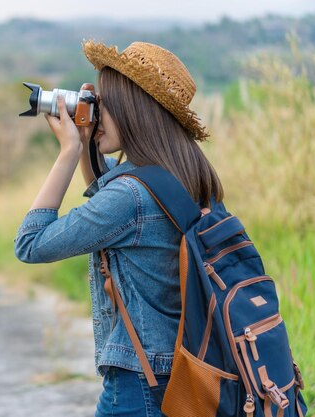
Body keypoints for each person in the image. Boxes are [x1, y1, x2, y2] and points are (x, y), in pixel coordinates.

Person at [14, 41, 224, 417]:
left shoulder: (131, 197)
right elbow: (106, 192)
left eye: (103, 104)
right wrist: (85, 141)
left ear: (131, 110)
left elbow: (31, 244)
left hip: (139, 384)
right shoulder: (189, 177)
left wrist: (68, 151)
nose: (95, 113)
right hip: (189, 374)